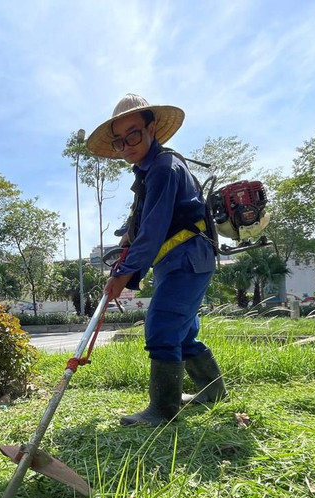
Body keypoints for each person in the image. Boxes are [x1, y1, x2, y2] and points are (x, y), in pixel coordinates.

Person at [86, 94, 228, 427]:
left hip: (187, 257)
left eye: (133, 135)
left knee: (161, 326)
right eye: (119, 142)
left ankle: (163, 410)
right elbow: (145, 221)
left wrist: (122, 274)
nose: (126, 146)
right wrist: (126, 234)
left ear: (152, 129)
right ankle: (213, 392)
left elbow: (152, 230)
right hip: (177, 260)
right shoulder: (151, 170)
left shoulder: (163, 167)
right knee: (182, 333)